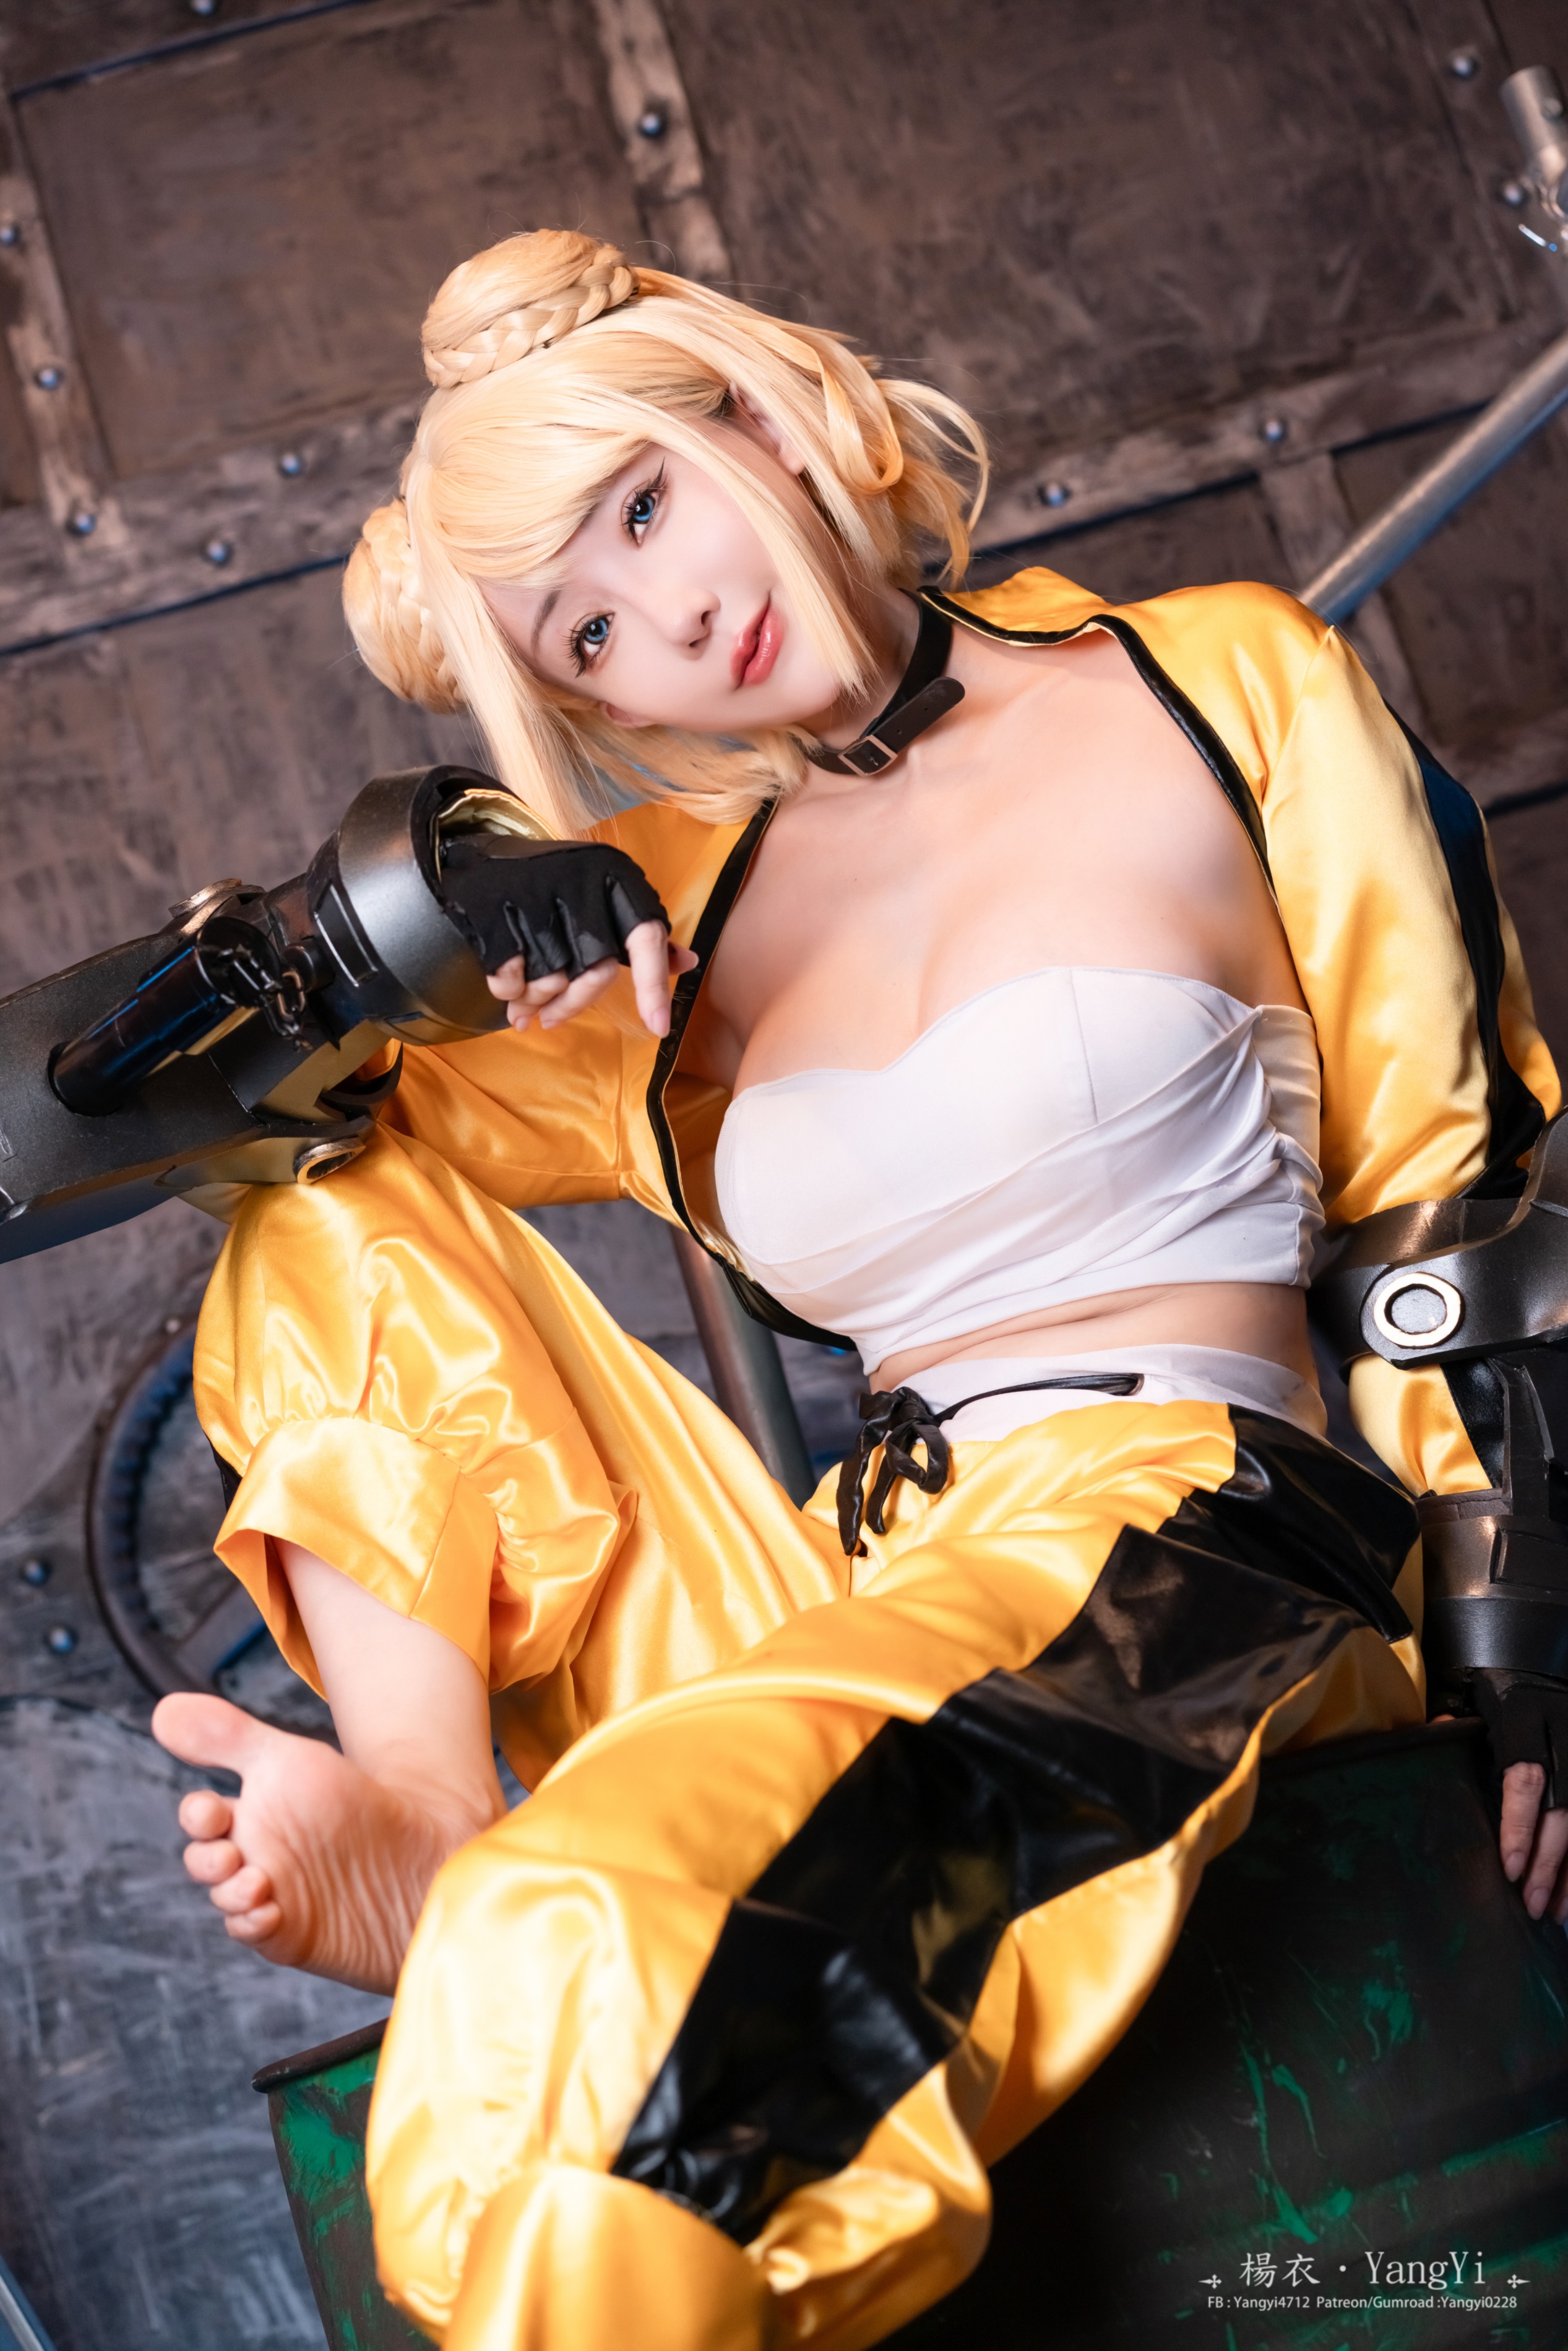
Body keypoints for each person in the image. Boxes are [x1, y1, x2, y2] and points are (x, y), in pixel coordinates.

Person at [151, 229, 1563, 2347]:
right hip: (857, 1572)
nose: (667, 622)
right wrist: (422, 894)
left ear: (756, 411)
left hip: (1190, 1536)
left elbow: (1457, 1188)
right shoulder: (661, 924)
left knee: (601, 1955)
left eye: (644, 510)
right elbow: (206, 1113)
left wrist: (1524, 1623)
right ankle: (437, 1807)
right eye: (584, 633)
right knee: (317, 1192)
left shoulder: (1216, 683)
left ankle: (509, 1931)